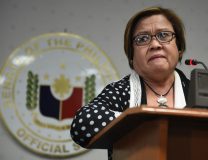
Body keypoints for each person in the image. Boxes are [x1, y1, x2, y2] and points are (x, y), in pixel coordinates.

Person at [70, 6, 190, 159]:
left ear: (179, 49)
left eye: (164, 35)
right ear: (132, 56)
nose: (155, 44)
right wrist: (151, 127)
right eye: (142, 39)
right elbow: (82, 123)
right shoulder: (121, 90)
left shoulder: (198, 90)